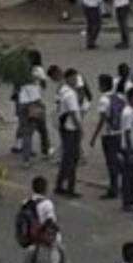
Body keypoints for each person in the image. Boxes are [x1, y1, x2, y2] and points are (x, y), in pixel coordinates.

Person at [54, 67, 83, 198]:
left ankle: (60, 184)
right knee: (72, 159)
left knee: (67, 158)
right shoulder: (70, 94)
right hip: (71, 129)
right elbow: (73, 113)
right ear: (69, 79)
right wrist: (80, 128)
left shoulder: (63, 91)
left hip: (64, 127)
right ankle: (70, 187)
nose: (77, 80)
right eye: (75, 78)